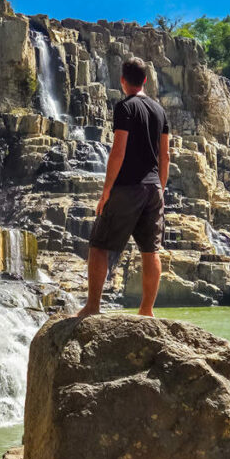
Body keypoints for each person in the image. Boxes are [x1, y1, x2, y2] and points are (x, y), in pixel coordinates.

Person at [77, 56, 170, 318]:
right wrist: (161, 189)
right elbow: (165, 156)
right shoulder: (160, 111)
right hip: (153, 188)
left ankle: (93, 307)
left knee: (99, 245)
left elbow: (118, 150)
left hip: (128, 187)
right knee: (150, 251)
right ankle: (146, 310)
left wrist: (106, 191)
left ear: (122, 81)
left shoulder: (125, 107)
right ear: (145, 80)